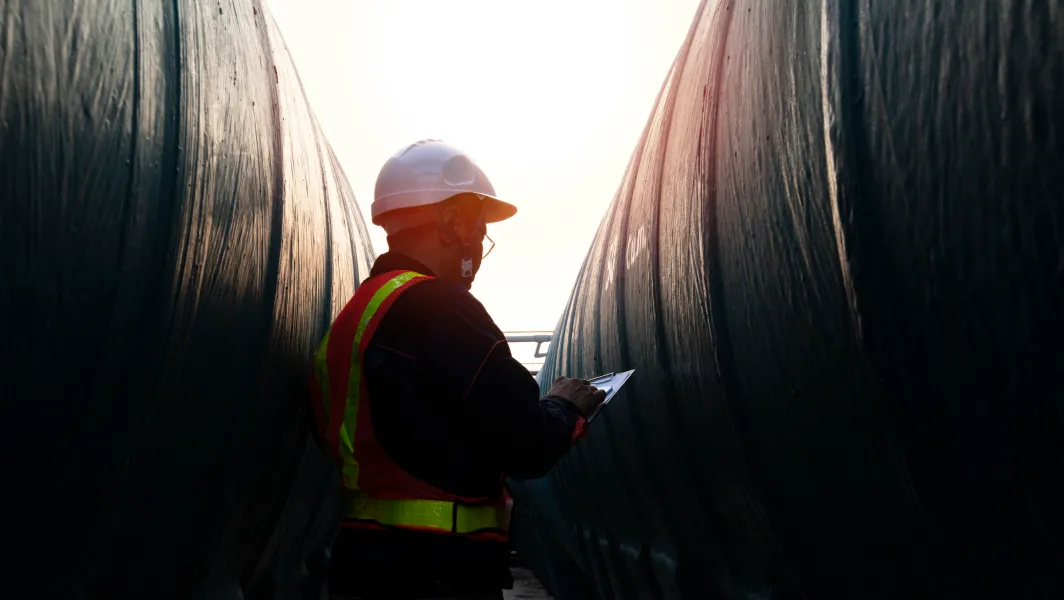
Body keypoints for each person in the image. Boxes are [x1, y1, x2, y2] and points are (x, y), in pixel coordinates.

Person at [308, 139, 606, 599]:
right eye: (481, 233)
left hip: (363, 567)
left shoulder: (355, 317)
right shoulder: (439, 308)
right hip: (438, 572)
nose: (479, 252)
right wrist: (567, 407)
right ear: (453, 223)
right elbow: (526, 443)